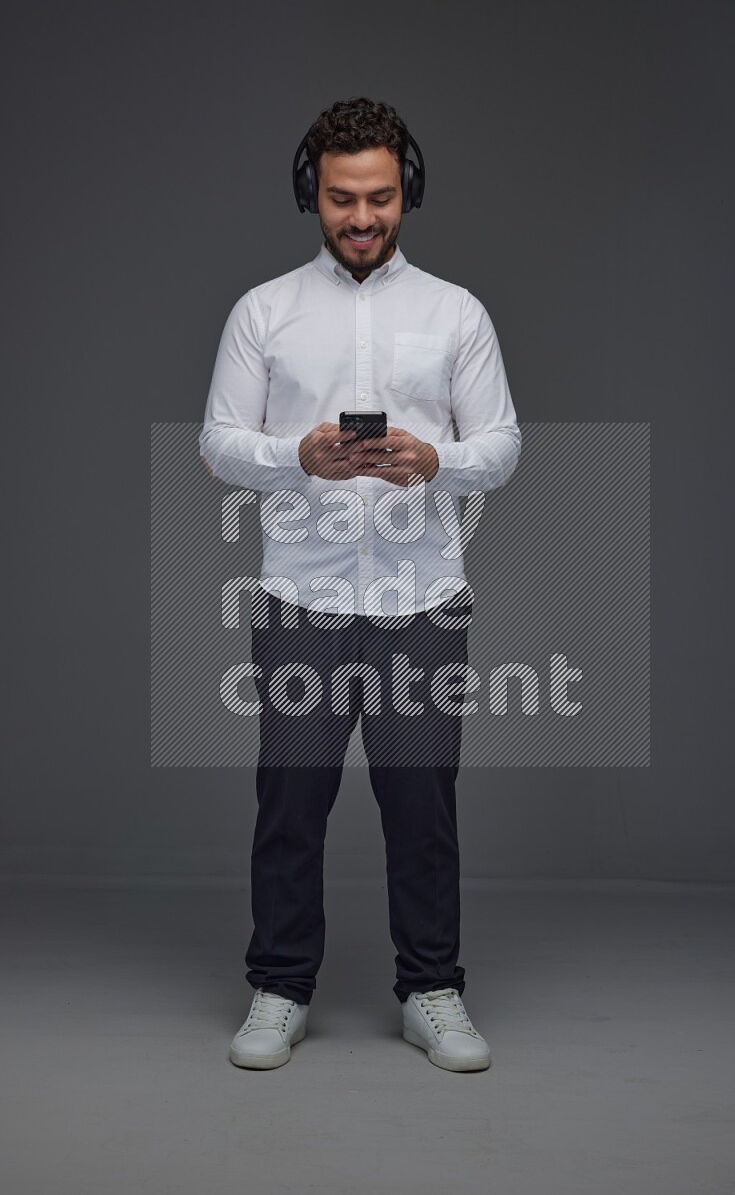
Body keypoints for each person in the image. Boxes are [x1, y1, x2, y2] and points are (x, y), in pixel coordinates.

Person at [199, 96, 521, 1073]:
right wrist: (293, 455)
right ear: (313, 193)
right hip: (301, 597)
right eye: (343, 197)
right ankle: (279, 986)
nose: (362, 216)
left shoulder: (456, 313)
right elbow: (217, 443)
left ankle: (431, 988)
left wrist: (436, 460)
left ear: (406, 190)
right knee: (290, 803)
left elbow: (503, 445)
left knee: (420, 805)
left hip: (421, 598)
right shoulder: (264, 312)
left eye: (379, 196)